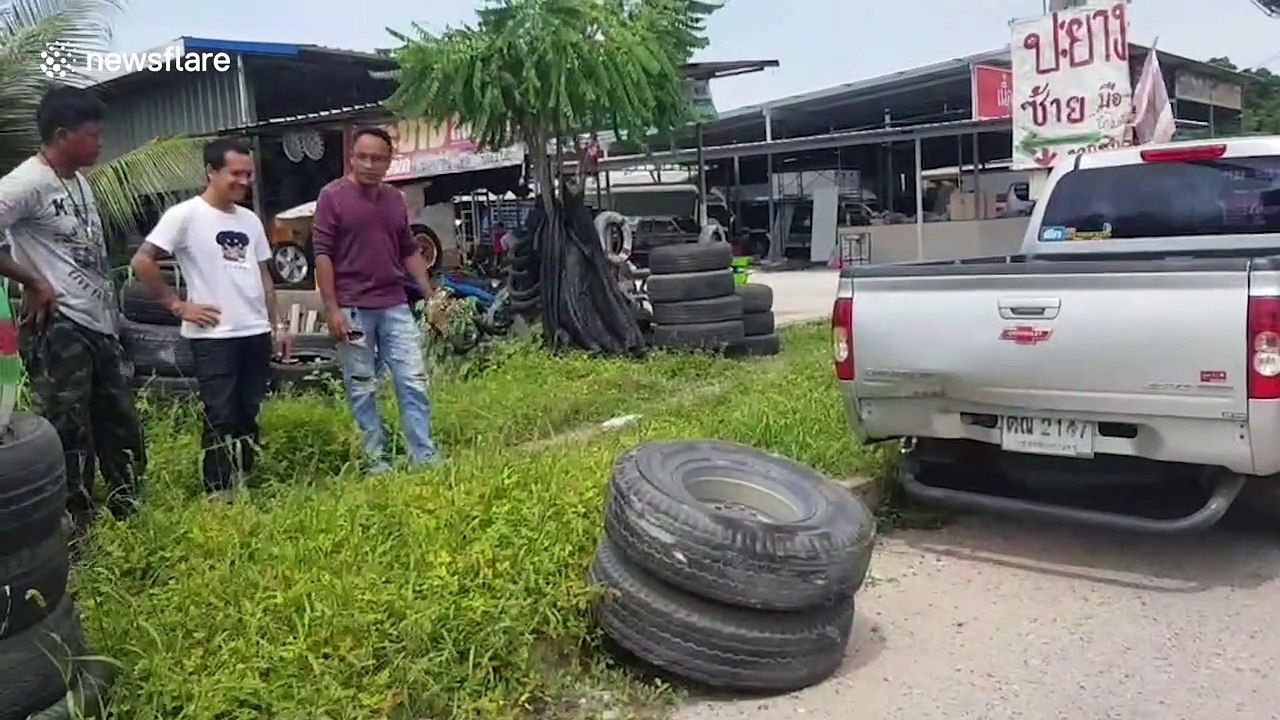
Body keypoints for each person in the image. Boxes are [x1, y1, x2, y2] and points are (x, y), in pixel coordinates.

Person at [0, 86, 145, 529]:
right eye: (92, 134)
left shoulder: (78, 180)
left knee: (119, 420)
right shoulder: (24, 184)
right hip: (58, 324)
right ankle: (72, 526)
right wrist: (32, 280)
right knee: (68, 428)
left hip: (98, 320)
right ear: (62, 135)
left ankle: (129, 511)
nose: (100, 142)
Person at [131, 138, 292, 496]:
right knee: (220, 414)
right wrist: (178, 305)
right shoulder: (184, 215)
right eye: (236, 173)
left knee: (249, 410)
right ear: (211, 172)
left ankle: (246, 478)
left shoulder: (249, 220)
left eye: (248, 174)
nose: (244, 181)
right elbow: (143, 261)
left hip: (254, 331)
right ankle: (218, 490)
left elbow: (264, 277)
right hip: (213, 336)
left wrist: (278, 324)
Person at [313, 127, 439, 472]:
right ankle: (375, 462)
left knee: (413, 380)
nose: (369, 163)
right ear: (351, 158)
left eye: (377, 158)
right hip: (352, 307)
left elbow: (408, 250)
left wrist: (430, 297)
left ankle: (423, 458)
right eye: (362, 157)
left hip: (394, 304)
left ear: (388, 162)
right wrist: (332, 308)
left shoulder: (394, 199)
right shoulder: (332, 196)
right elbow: (322, 254)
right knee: (362, 386)